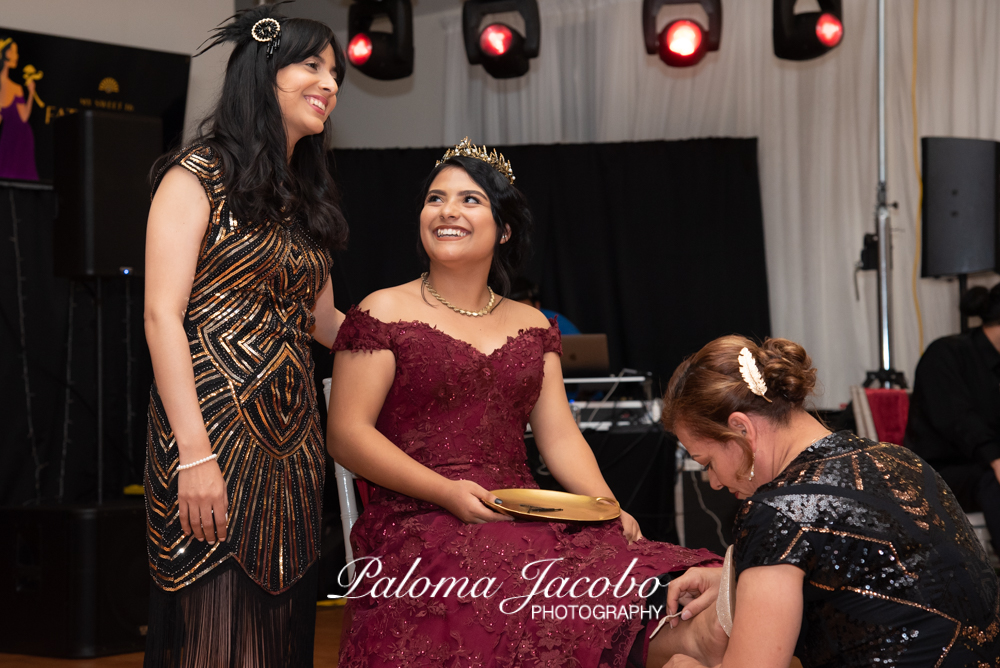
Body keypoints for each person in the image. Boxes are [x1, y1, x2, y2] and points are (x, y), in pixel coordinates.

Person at [327, 138, 726, 668]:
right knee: (515, 573)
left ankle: (682, 648)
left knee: (656, 572)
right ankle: (676, 650)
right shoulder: (384, 309)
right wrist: (446, 493)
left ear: (504, 229)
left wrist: (609, 507)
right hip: (418, 516)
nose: (447, 210)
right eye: (435, 198)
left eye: (470, 200)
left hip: (520, 509)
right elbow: (347, 434)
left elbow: (559, 435)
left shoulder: (532, 325)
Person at [142, 7, 348, 666]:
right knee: (217, 631)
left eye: (336, 73)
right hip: (212, 434)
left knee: (275, 631)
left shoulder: (303, 200)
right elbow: (160, 316)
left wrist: (418, 337)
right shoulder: (195, 176)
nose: (330, 84)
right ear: (265, 72)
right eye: (312, 65)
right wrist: (194, 456)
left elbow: (324, 324)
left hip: (292, 445)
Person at [657, 335, 1000, 667]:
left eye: (707, 463)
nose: (714, 482)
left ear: (741, 429)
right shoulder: (900, 460)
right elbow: (864, 572)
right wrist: (739, 577)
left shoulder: (777, 510)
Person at [904, 283, 1000, 556]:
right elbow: (958, 420)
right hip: (938, 471)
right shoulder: (946, 353)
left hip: (984, 467)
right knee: (992, 479)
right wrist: (995, 459)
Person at [0, 38, 39, 181]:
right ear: (6, 54)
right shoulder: (9, 88)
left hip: (18, 138)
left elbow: (22, 117)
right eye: (14, 52)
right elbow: (20, 117)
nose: (17, 56)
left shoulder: (16, 87)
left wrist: (30, 93)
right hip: (12, 139)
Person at [510, 275, 582, 334]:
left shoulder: (556, 324)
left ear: (537, 306)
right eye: (513, 311)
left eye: (525, 310)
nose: (520, 317)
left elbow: (579, 348)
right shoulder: (501, 327)